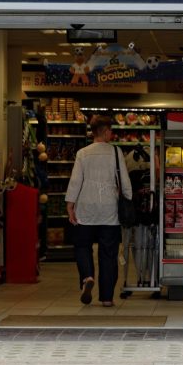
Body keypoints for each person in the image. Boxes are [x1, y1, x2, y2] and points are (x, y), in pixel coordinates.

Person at [66, 115, 132, 307]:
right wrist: (128, 198)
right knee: (108, 253)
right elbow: (125, 183)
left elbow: (76, 181)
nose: (111, 134)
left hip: (86, 208)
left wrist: (70, 204)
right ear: (104, 132)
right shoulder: (115, 152)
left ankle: (87, 276)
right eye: (110, 130)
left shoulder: (82, 153)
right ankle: (107, 298)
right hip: (109, 210)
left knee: (82, 246)